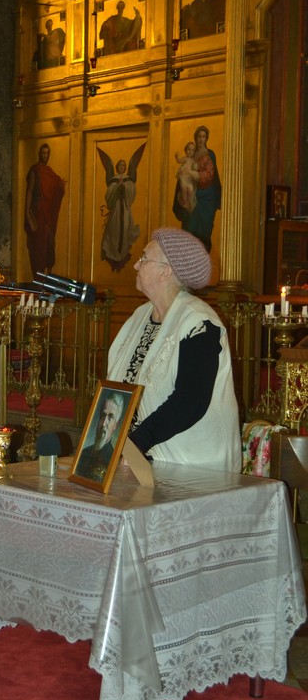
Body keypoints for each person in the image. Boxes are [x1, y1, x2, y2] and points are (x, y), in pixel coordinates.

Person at [108, 228, 241, 471]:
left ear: (166, 272)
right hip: (134, 457)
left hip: (190, 466)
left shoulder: (199, 323)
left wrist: (136, 442)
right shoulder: (139, 316)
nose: (136, 265)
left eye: (144, 258)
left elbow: (190, 401)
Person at [172, 124, 221, 252]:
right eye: (199, 136)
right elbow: (182, 174)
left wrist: (194, 174)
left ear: (206, 138)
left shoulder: (210, 154)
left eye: (203, 136)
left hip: (206, 199)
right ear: (195, 138)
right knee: (189, 231)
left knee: (204, 232)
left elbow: (211, 175)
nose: (201, 139)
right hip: (191, 198)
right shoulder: (191, 155)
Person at [99, 144, 146, 271]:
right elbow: (109, 195)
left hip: (125, 209)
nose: (121, 167)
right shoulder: (113, 180)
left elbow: (132, 191)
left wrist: (124, 187)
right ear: (116, 167)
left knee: (125, 230)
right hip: (115, 210)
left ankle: (122, 255)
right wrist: (116, 188)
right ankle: (113, 254)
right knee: (113, 231)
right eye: (120, 165)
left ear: (125, 168)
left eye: (123, 165)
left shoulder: (128, 180)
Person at [24, 143, 66, 277]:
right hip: (37, 212)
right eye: (43, 153)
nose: (44, 155)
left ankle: (48, 277)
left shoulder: (49, 172)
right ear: (39, 154)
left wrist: (61, 186)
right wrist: (27, 214)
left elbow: (56, 186)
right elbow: (29, 192)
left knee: (49, 243)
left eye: (47, 153)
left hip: (48, 214)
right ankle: (38, 277)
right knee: (38, 246)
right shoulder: (35, 170)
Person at [76, 390, 126, 482]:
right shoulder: (83, 453)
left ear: (116, 425)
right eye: (103, 416)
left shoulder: (112, 460)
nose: (103, 424)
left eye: (110, 417)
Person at [174, 142, 199, 211]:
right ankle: (184, 202)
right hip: (183, 177)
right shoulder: (185, 158)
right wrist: (177, 157)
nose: (190, 152)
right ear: (186, 150)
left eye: (192, 150)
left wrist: (196, 167)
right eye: (189, 149)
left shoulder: (193, 160)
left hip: (189, 178)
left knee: (190, 189)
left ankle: (189, 202)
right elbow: (179, 161)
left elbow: (195, 167)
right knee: (184, 190)